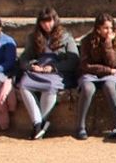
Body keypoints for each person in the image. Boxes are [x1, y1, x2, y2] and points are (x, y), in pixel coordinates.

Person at [19, 7, 78, 139]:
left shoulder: (66, 37)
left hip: (59, 72)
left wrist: (53, 67)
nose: (47, 25)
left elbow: (73, 60)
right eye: (43, 22)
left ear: (55, 20)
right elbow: (23, 59)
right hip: (40, 71)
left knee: (51, 86)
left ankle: (40, 124)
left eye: (49, 21)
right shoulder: (34, 37)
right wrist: (32, 66)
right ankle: (38, 123)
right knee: (23, 84)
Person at [75, 12, 116, 140]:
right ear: (98, 29)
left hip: (109, 75)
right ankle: (81, 126)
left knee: (109, 86)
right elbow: (86, 65)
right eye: (105, 28)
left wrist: (108, 44)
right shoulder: (86, 41)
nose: (108, 31)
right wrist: (107, 70)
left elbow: (114, 63)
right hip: (90, 74)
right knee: (88, 89)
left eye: (110, 28)